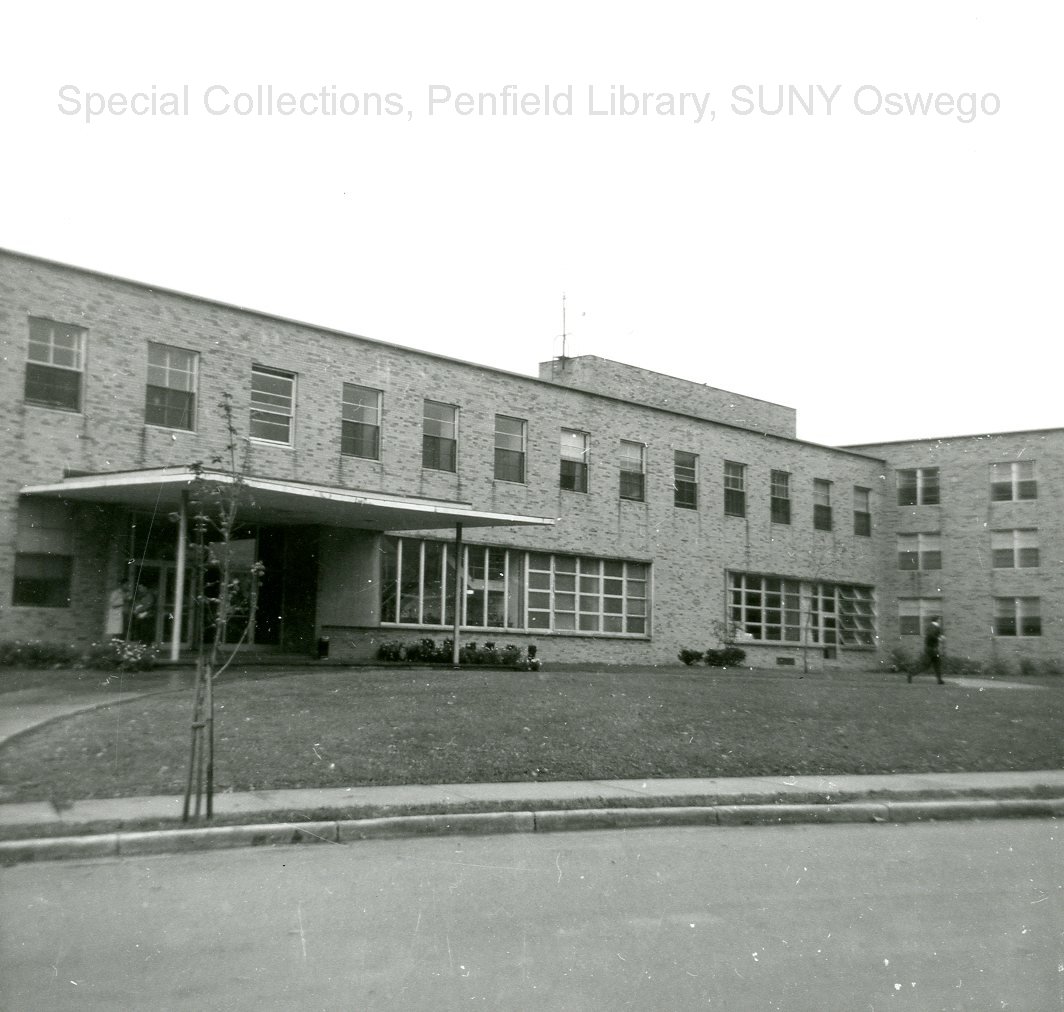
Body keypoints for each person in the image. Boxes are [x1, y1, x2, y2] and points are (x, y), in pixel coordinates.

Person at [909, 620, 945, 684]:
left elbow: (933, 635)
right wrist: (939, 638)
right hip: (932, 649)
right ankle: (911, 673)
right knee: (928, 665)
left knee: (935, 664)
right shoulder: (932, 627)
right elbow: (931, 636)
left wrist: (939, 637)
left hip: (932, 649)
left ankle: (939, 680)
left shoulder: (931, 627)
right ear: (936, 621)